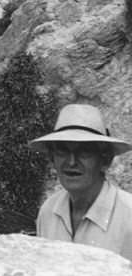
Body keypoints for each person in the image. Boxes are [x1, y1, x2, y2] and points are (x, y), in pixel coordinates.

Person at [30, 103, 132, 261]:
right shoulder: (49, 212)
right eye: (62, 151)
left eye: (84, 151)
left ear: (105, 160)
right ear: (52, 158)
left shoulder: (128, 217)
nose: (71, 162)